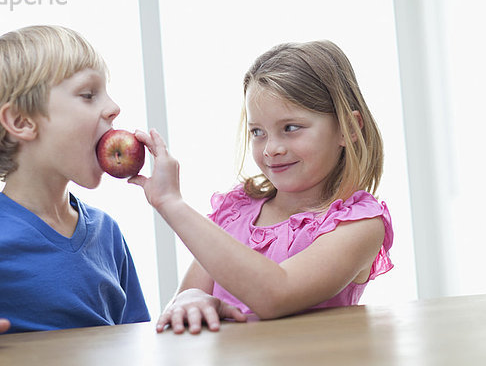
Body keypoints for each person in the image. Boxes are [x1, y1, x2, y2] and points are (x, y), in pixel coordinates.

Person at [130, 40, 393, 334]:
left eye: (290, 128)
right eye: (258, 132)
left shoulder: (359, 225)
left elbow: (276, 294)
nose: (271, 149)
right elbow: (186, 300)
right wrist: (191, 298)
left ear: (347, 128)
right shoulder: (236, 212)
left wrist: (171, 203)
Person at [0, 26, 150, 360]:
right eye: (89, 94)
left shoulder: (107, 232)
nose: (114, 107)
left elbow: (138, 342)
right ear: (22, 121)